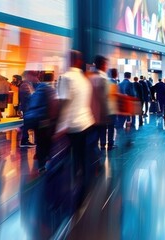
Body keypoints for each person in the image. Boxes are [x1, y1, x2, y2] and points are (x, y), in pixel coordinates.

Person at [56, 51, 95, 205]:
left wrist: (60, 127)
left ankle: (75, 191)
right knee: (82, 158)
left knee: (72, 159)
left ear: (71, 60)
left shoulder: (67, 78)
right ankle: (84, 189)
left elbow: (64, 105)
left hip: (73, 126)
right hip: (86, 122)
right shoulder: (85, 80)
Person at [90, 56, 117, 151]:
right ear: (103, 65)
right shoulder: (103, 79)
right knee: (109, 128)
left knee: (100, 130)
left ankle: (102, 145)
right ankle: (109, 144)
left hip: (93, 113)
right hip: (105, 111)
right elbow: (106, 98)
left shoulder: (90, 77)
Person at [18, 71, 36, 146]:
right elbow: (29, 96)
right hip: (27, 108)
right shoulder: (25, 85)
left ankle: (25, 139)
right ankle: (24, 140)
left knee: (28, 124)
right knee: (28, 124)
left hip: (27, 107)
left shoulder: (26, 84)